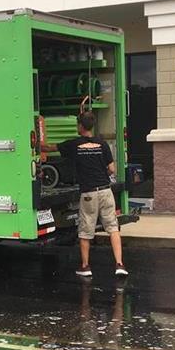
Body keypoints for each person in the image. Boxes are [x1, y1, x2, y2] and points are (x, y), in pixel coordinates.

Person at [41, 111, 127, 277]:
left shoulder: (74, 144)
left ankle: (86, 266)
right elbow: (112, 169)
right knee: (113, 228)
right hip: (106, 191)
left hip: (89, 193)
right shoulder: (102, 144)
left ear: (80, 126)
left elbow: (49, 148)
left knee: (86, 230)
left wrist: (33, 143)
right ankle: (119, 265)